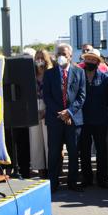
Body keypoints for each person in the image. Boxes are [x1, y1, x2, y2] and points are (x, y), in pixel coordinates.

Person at [43, 43, 86, 193]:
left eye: (64, 54)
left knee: (74, 152)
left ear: (71, 56)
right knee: (54, 152)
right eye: (59, 54)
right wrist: (61, 113)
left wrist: (69, 112)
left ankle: (72, 182)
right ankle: (53, 183)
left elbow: (82, 96)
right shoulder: (49, 74)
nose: (61, 57)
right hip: (55, 119)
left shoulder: (79, 72)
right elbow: (46, 96)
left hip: (73, 120)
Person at [79, 48, 108, 188]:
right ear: (84, 60)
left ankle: (102, 178)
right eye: (88, 59)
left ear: (98, 62)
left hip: (100, 119)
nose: (90, 61)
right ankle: (86, 178)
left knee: (101, 150)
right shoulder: (79, 75)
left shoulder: (105, 78)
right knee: (84, 150)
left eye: (93, 60)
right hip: (83, 120)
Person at [29, 49, 52, 176]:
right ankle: (40, 169)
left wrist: (46, 110)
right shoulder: (31, 74)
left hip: (48, 108)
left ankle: (51, 168)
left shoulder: (51, 73)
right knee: (35, 141)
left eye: (41, 57)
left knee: (48, 140)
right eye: (37, 57)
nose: (39, 60)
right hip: (34, 109)